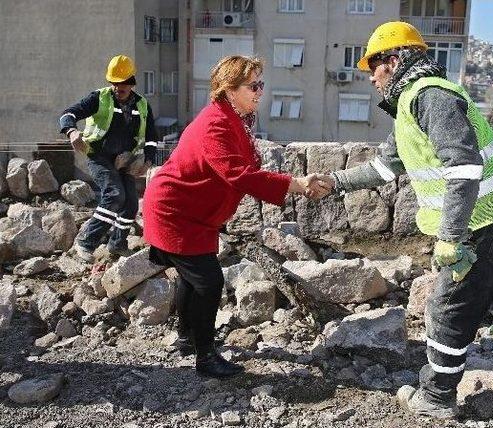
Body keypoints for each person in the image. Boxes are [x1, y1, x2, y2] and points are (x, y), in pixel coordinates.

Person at [316, 22, 493, 419]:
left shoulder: (431, 97)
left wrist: (451, 237)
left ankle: (436, 398)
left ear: (394, 60)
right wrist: (332, 182)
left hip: (484, 225)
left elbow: (463, 168)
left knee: (446, 310)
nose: (371, 78)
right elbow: (386, 167)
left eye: (374, 67)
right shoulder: (410, 103)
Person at [142, 55, 328, 378]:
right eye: (253, 86)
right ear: (229, 90)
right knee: (209, 281)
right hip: (175, 213)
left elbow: (248, 168)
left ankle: (187, 339)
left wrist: (289, 183)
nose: (260, 92)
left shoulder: (234, 118)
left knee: (193, 276)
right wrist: (295, 184)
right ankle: (205, 357)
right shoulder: (216, 123)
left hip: (190, 213)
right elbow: (239, 175)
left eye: (261, 84)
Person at [59, 55, 158, 262]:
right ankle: (86, 242)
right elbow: (68, 114)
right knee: (114, 195)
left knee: (131, 204)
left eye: (122, 83)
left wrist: (148, 160)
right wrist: (72, 132)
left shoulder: (142, 105)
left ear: (131, 82)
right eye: (114, 82)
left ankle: (117, 244)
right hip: (99, 156)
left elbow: (151, 137)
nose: (117, 87)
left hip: (125, 160)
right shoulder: (99, 97)